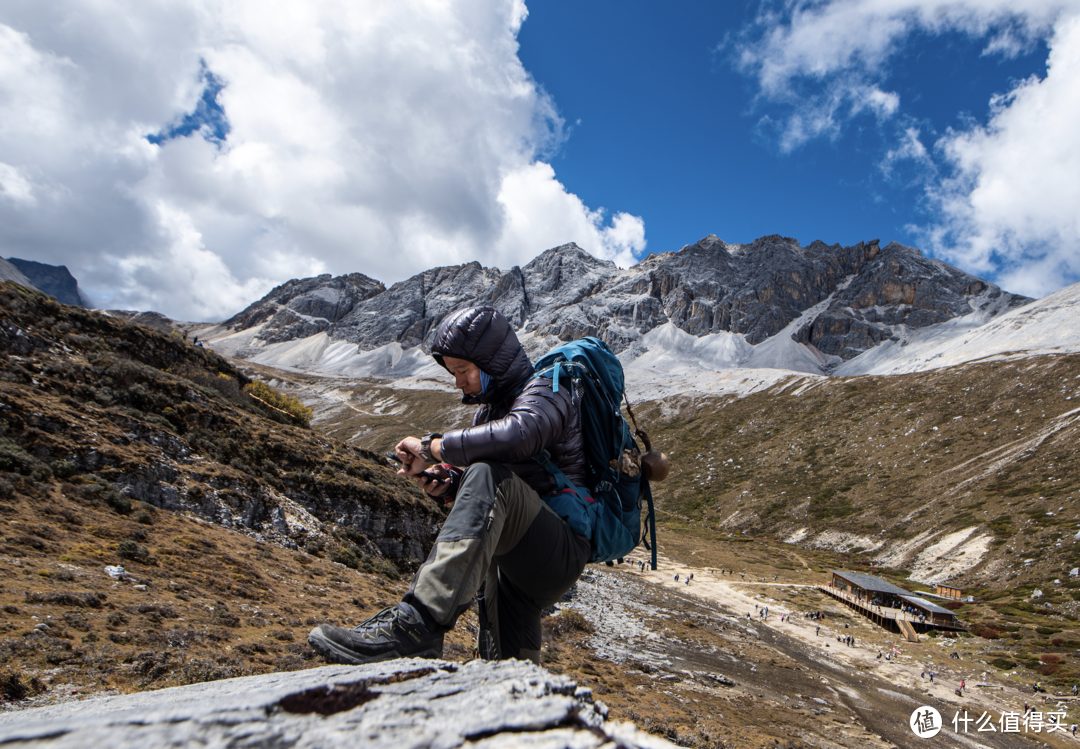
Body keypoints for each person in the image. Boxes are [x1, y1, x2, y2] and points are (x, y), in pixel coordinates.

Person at [308, 306, 590, 665]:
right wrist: (448, 481)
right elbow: (508, 481)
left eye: (463, 370)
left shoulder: (547, 391)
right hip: (515, 562)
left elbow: (520, 436)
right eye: (452, 372)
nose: (458, 382)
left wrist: (431, 447)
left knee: (488, 473)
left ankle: (417, 625)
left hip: (558, 551)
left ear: (492, 363)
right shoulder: (488, 414)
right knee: (508, 675)